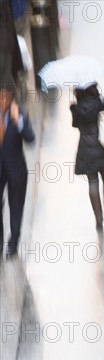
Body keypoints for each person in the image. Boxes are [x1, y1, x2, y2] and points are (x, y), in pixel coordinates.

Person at [70, 84, 104, 229]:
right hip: (103, 147)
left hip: (86, 149)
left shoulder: (76, 107)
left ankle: (98, 218)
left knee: (92, 183)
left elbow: (75, 125)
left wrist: (73, 109)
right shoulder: (100, 102)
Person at [0, 76, 35, 258]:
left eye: (4, 97)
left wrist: (18, 122)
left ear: (10, 97)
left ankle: (13, 242)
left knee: (16, 206)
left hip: (16, 170)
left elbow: (30, 138)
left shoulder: (19, 114)